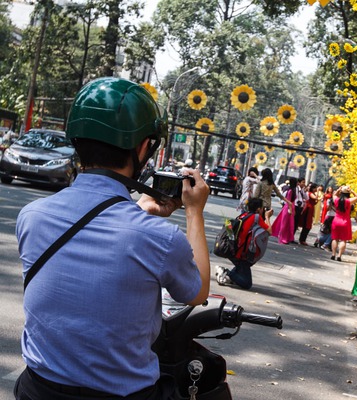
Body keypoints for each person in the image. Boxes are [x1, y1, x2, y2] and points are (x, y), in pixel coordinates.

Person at [13, 77, 211, 400]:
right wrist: (194, 213)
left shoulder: (31, 217)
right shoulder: (160, 238)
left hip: (37, 390)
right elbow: (197, 290)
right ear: (143, 147)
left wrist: (138, 209)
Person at [215, 198, 273, 289]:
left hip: (234, 250)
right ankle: (226, 272)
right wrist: (267, 217)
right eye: (262, 208)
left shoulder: (244, 215)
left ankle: (228, 277)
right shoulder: (256, 217)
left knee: (240, 270)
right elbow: (269, 231)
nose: (263, 210)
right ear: (258, 209)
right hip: (241, 255)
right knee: (247, 284)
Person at [330, 185, 357, 262]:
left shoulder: (336, 200)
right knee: (343, 240)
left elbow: (334, 195)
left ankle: (333, 254)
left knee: (335, 238)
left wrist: (339, 189)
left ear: (341, 193)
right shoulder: (348, 201)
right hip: (345, 222)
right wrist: (351, 190)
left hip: (336, 221)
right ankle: (339, 255)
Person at [271, 177, 298, 244]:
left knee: (289, 224)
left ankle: (285, 238)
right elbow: (289, 201)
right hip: (288, 208)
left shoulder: (292, 190)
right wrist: (291, 209)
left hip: (290, 207)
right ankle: (282, 237)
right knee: (285, 224)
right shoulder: (291, 191)